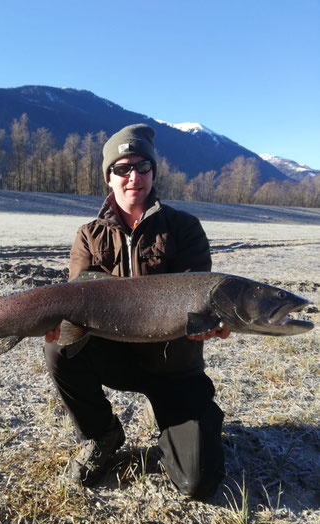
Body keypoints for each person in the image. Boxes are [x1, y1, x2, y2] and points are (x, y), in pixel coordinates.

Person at [44, 123, 230, 500]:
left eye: (142, 166)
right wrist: (57, 323)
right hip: (116, 356)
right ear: (108, 178)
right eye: (122, 168)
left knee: (197, 482)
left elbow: (202, 297)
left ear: (153, 172)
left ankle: (186, 422)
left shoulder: (184, 228)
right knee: (59, 347)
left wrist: (212, 323)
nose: (133, 177)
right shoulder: (88, 235)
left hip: (174, 364)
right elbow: (79, 303)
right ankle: (103, 434)